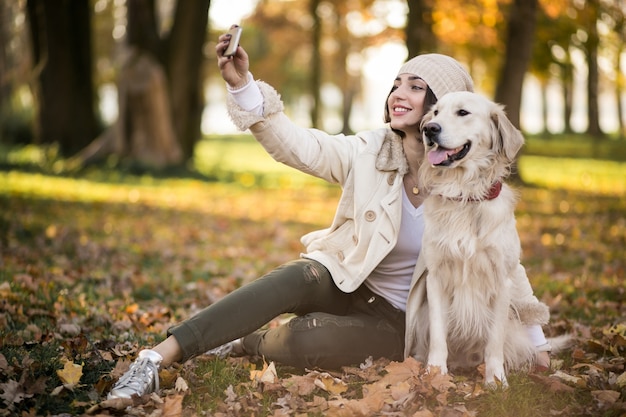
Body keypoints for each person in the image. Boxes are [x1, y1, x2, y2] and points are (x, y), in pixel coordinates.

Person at [107, 28, 552, 400]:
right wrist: (243, 86)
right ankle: (155, 359)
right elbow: (302, 146)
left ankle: (247, 341)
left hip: (397, 319)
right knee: (291, 278)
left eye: (416, 87)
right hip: (346, 279)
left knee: (309, 338)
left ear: (445, 105)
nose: (399, 94)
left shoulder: (467, 185)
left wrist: (536, 343)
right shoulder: (369, 150)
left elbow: (505, 262)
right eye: (397, 83)